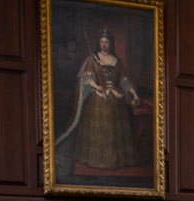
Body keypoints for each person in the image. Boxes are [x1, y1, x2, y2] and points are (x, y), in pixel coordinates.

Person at [56, 27, 141, 171]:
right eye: (101, 42)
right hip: (98, 97)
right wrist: (96, 86)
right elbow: (87, 77)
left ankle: (115, 160)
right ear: (98, 43)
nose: (104, 45)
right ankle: (97, 159)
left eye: (106, 42)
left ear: (110, 43)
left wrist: (135, 94)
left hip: (116, 99)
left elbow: (124, 80)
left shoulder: (117, 61)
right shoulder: (92, 59)